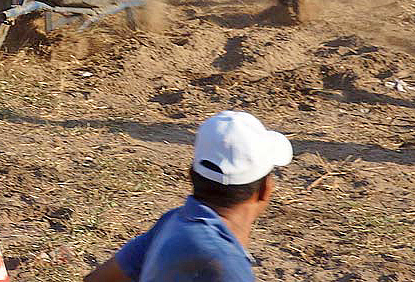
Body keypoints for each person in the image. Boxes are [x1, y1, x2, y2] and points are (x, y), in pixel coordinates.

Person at [84, 111, 293, 282]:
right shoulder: (227, 265)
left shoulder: (172, 222)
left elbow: (99, 279)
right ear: (265, 189)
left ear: (191, 175)